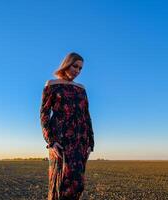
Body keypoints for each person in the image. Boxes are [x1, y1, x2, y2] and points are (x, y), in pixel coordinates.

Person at [40, 52, 95, 200]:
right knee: (60, 183)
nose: (77, 71)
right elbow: (44, 115)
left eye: (80, 68)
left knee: (77, 185)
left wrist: (90, 141)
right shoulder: (51, 85)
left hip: (80, 141)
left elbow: (86, 115)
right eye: (75, 66)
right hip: (60, 141)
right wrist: (51, 141)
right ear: (66, 64)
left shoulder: (81, 88)